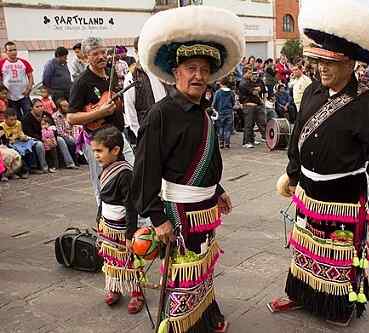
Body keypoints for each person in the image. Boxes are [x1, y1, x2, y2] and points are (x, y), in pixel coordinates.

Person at [273, 0, 369, 326]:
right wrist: (292, 175)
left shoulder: (366, 103)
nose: (322, 69)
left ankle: (339, 308)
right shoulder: (313, 92)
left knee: (338, 253)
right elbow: (297, 139)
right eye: (318, 62)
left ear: (351, 65)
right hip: (308, 191)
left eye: (330, 64)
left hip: (343, 194)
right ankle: (300, 295)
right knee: (305, 246)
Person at [132, 6, 244, 332]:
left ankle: (205, 314)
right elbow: (145, 171)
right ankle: (183, 325)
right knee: (184, 269)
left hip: (205, 206)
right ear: (176, 72)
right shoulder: (161, 114)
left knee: (203, 264)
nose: (198, 75)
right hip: (179, 211)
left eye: (204, 70)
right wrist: (156, 217)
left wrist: (218, 190)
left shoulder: (202, 110)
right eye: (191, 68)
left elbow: (201, 158)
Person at [67, 37, 134, 204]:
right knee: (103, 184)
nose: (101, 56)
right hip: (96, 141)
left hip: (118, 135)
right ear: (86, 56)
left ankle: (131, 219)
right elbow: (71, 117)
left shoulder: (111, 75)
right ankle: (104, 224)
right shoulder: (82, 82)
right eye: (95, 53)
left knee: (132, 174)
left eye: (103, 52)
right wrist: (99, 113)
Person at [91, 127, 144, 314]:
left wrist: (130, 234)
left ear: (115, 150)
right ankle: (114, 287)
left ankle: (137, 293)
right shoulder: (104, 170)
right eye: (94, 151)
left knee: (129, 261)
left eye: (99, 151)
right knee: (110, 259)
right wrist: (99, 219)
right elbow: (102, 199)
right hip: (107, 224)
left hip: (122, 226)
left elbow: (131, 206)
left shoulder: (125, 173)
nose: (96, 156)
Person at [123, 36, 167, 140]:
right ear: (136, 51)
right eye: (142, 49)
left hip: (167, 127)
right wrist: (140, 135)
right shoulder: (132, 77)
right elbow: (130, 112)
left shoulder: (161, 71)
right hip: (147, 132)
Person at [23, 98, 77, 172]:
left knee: (60, 140)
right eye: (37, 107)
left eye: (41, 106)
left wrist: (52, 138)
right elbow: (29, 133)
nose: (40, 108)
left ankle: (70, 163)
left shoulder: (47, 114)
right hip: (35, 139)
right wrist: (43, 139)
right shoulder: (27, 118)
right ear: (32, 108)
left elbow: (54, 128)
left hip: (50, 136)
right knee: (39, 145)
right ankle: (44, 167)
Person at [0, 41, 34, 119]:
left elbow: (30, 76)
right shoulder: (2, 63)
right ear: (6, 51)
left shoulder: (24, 62)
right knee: (15, 117)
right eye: (10, 50)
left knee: (28, 115)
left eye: (15, 50)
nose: (13, 52)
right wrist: (3, 94)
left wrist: (29, 89)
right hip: (9, 97)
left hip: (23, 95)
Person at [239, 66, 266, 148]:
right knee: (248, 124)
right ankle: (246, 142)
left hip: (253, 105)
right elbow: (254, 91)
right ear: (244, 73)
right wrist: (257, 89)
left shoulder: (248, 81)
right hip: (248, 106)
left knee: (252, 124)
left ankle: (252, 140)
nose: (251, 74)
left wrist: (258, 88)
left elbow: (258, 86)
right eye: (249, 73)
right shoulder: (244, 82)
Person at [0, 108, 32, 176]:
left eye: (15, 119)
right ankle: (22, 171)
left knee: (31, 146)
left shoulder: (18, 123)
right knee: (17, 150)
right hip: (9, 144)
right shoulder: (1, 127)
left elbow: (20, 133)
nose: (14, 121)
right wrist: (11, 140)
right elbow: (4, 140)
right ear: (5, 119)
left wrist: (23, 137)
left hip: (19, 141)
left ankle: (31, 167)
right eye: (11, 120)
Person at [52, 98, 79, 166]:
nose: (67, 108)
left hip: (71, 133)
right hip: (62, 135)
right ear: (59, 108)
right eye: (64, 106)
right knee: (71, 142)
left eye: (67, 105)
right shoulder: (56, 116)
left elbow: (75, 126)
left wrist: (76, 136)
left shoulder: (69, 114)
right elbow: (60, 131)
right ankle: (73, 162)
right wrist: (70, 137)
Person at [212, 76, 235, 149]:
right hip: (229, 112)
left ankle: (221, 142)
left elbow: (214, 103)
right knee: (228, 128)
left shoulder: (218, 92)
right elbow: (233, 102)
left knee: (220, 127)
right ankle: (227, 143)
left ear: (221, 83)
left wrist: (215, 109)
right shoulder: (231, 92)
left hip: (220, 112)